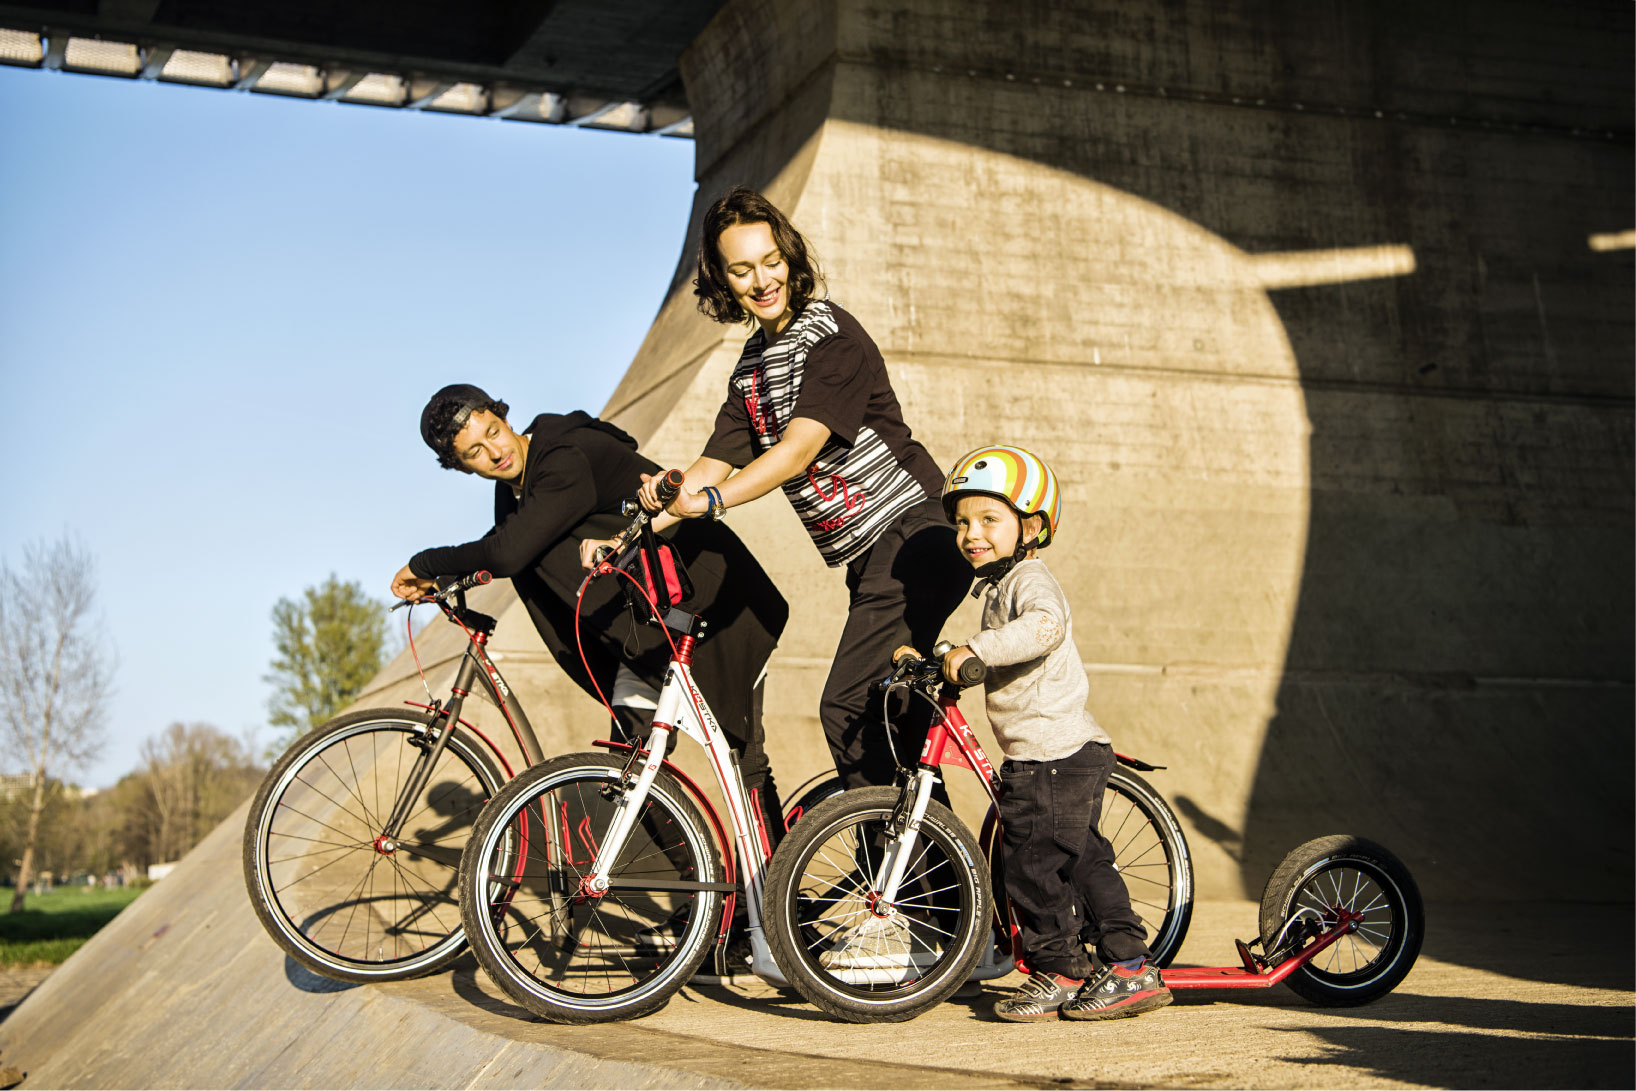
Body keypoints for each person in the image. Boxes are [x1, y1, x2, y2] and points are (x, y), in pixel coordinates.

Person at [583, 186, 970, 793]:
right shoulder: (752, 367)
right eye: (741, 269)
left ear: (790, 258)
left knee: (847, 707)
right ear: (722, 279)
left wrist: (710, 503)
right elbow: (712, 462)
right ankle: (938, 876)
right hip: (868, 559)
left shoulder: (831, 337)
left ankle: (904, 879)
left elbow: (796, 451)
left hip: (914, 535)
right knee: (895, 727)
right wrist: (631, 535)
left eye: (771, 262)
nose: (761, 280)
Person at [392, 383, 791, 845]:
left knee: (741, 758)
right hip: (650, 632)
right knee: (628, 773)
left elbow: (509, 551)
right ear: (461, 467)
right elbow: (519, 540)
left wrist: (424, 563)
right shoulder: (517, 489)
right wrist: (444, 580)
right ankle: (708, 907)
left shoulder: (564, 455)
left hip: (710, 605)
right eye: (475, 452)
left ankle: (780, 897)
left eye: (494, 432)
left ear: (503, 416)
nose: (495, 453)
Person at [935, 445, 1172, 1022]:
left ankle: (1109, 967)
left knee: (1039, 867)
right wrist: (944, 655)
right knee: (1071, 858)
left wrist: (976, 650)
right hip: (1044, 753)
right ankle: (1088, 967)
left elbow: (1042, 627)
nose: (972, 533)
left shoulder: (1031, 580)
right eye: (964, 522)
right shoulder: (997, 587)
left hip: (1055, 752)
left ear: (1032, 525)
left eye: (990, 519)